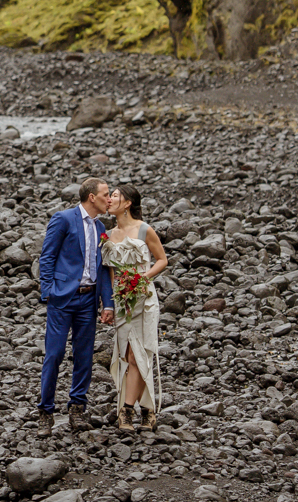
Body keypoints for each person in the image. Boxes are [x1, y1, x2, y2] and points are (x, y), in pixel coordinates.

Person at [35, 176, 115, 436]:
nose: (109, 199)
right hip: (62, 298)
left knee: (84, 356)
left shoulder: (101, 227)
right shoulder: (64, 219)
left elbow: (103, 269)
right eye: (105, 195)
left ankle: (77, 408)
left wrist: (108, 303)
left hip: (88, 299)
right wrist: (48, 292)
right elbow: (47, 256)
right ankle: (46, 412)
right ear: (92, 197)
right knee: (54, 354)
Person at [103, 182, 169, 431]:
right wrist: (110, 303)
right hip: (122, 300)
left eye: (115, 196)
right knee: (127, 355)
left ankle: (126, 410)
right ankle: (148, 409)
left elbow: (162, 260)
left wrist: (142, 279)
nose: (109, 200)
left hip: (144, 298)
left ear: (128, 203)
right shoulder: (108, 235)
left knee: (138, 353)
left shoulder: (144, 229)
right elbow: (111, 274)